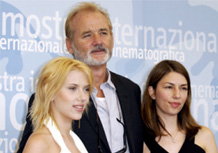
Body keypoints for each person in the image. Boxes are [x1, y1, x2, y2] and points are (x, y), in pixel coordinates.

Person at [17, 2, 143, 153]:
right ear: (69, 45)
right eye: (87, 35)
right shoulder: (49, 97)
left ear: (112, 39)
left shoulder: (131, 90)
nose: (98, 41)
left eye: (103, 33)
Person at [141, 60, 218, 153]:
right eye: (169, 87)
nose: (177, 95)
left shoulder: (204, 136)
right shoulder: (139, 141)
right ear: (152, 92)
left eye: (183, 88)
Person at [22, 56, 93, 153]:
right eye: (72, 88)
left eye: (86, 89)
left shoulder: (74, 139)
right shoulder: (40, 142)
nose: (83, 97)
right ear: (50, 92)